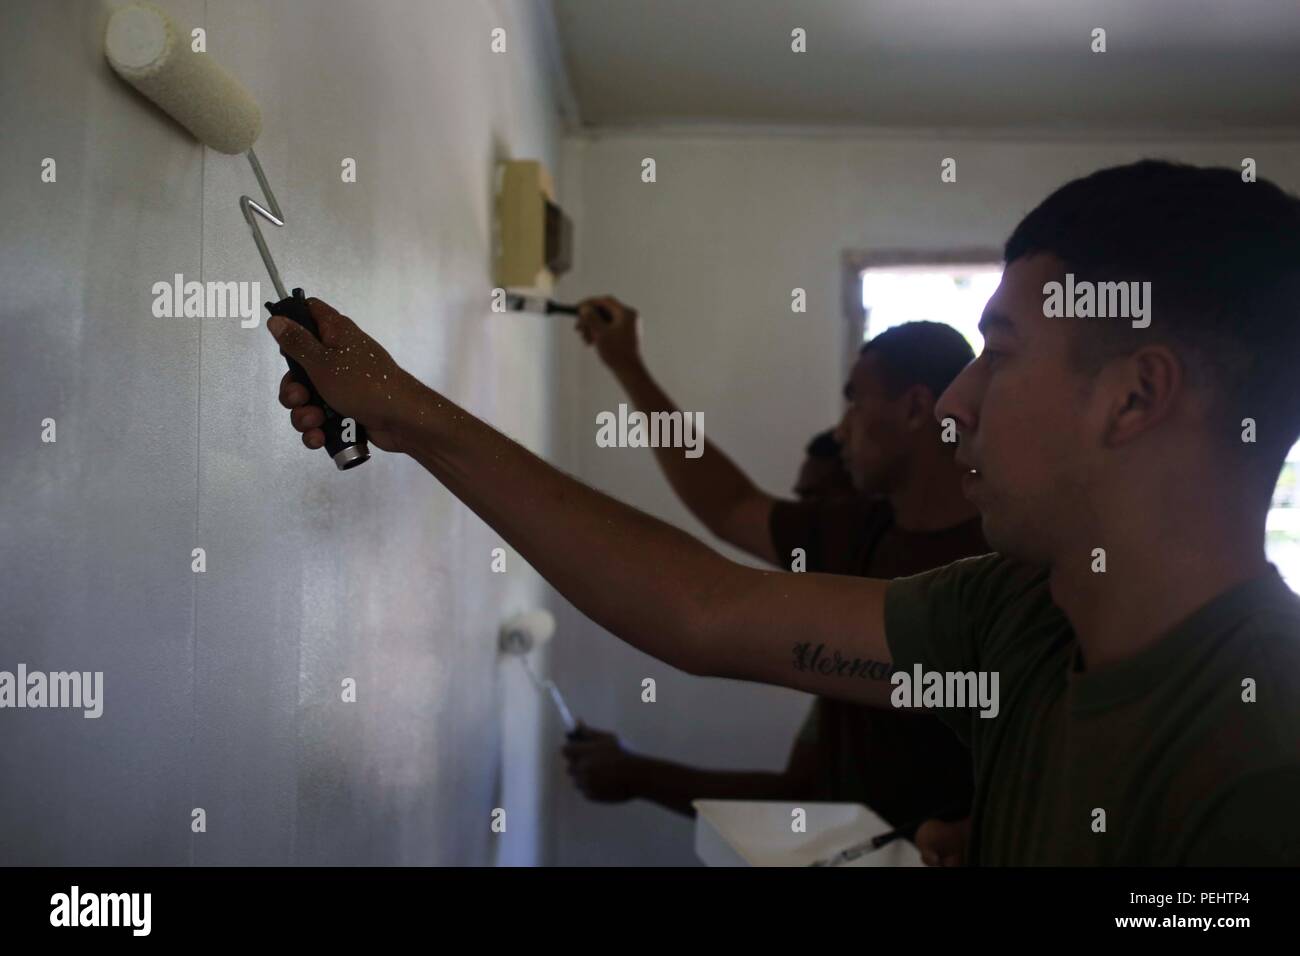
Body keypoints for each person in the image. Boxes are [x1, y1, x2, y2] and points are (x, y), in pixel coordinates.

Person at [268, 160, 1300, 864]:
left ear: (1133, 395)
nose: (957, 403)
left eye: (1004, 350)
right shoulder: (1016, 611)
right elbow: (704, 608)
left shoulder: (1262, 759)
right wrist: (407, 413)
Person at [562, 317, 985, 843]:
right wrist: (628, 367)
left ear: (917, 408)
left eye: (856, 400)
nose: (841, 428)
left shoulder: (1002, 559)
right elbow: (728, 504)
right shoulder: (860, 533)